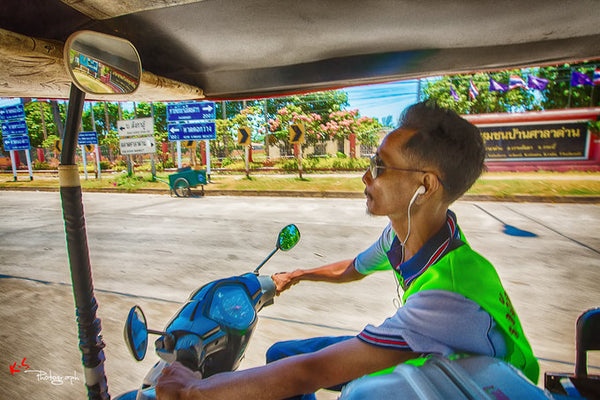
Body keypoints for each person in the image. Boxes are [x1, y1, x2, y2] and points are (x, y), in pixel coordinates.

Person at [156, 101, 539, 400]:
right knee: (283, 353)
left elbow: (313, 373)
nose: (366, 176)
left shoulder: (449, 293)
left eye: (381, 167)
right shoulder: (405, 237)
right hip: (441, 357)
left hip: (476, 384)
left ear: (425, 186)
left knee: (301, 367)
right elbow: (354, 268)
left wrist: (193, 390)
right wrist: (298, 275)